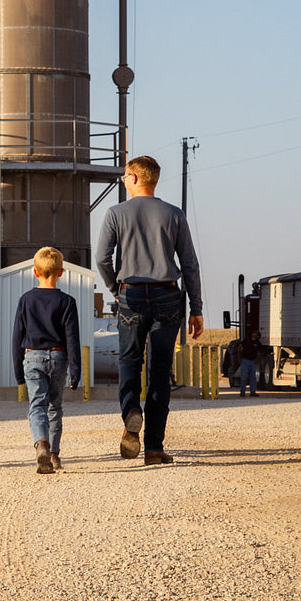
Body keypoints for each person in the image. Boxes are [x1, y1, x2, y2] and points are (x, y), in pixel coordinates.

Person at [95, 155, 203, 466]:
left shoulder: (116, 213)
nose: (123, 180)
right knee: (160, 369)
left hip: (131, 294)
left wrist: (116, 289)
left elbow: (102, 258)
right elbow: (190, 264)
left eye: (124, 176)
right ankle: (154, 447)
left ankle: (132, 411)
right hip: (167, 295)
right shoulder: (174, 214)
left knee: (130, 361)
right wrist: (196, 308)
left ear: (134, 178)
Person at [13, 246, 81, 474]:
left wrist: (18, 371)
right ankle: (53, 455)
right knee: (55, 407)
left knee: (37, 406)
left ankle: (41, 443)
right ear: (61, 272)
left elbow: (17, 336)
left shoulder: (26, 300)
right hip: (59, 356)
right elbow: (72, 338)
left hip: (32, 357)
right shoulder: (68, 302)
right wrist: (76, 371)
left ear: (35, 272)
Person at [237, 330, 262, 397]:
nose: (255, 335)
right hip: (245, 360)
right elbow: (239, 348)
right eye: (254, 333)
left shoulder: (258, 343)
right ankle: (242, 392)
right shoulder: (246, 341)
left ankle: (252, 392)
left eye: (256, 334)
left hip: (252, 361)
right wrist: (239, 358)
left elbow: (262, 352)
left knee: (252, 377)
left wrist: (257, 360)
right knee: (244, 377)